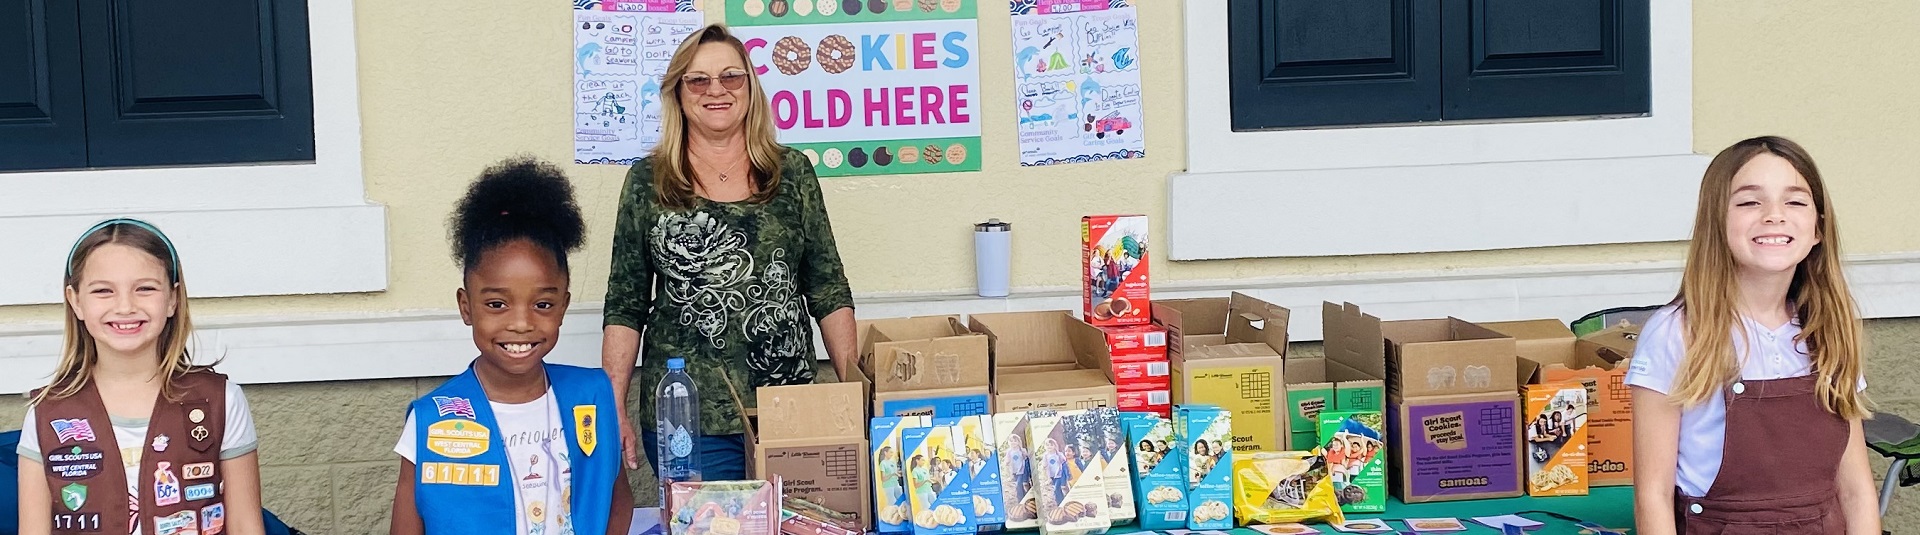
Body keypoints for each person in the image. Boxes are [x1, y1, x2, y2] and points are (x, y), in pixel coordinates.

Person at [601, 23, 857, 480]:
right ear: (678, 93)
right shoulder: (648, 181)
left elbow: (828, 288)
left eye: (730, 77)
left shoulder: (791, 172)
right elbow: (625, 303)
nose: (715, 90)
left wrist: (855, 394)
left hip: (790, 409)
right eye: (698, 80)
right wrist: (613, 407)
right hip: (687, 415)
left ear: (750, 87)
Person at [1626, 136, 1877, 534]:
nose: (1774, 215)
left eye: (1795, 201)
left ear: (1818, 229)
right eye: (1749, 202)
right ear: (1715, 223)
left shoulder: (1829, 330)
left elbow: (1857, 492)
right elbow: (1652, 495)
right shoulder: (1679, 332)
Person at [390, 158, 633, 535]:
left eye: (543, 304)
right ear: (466, 307)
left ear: (563, 307)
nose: (521, 323)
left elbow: (616, 500)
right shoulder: (433, 419)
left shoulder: (593, 396)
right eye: (497, 304)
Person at [16, 219, 265, 535]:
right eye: (103, 290)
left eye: (145, 288)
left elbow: (246, 526)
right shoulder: (46, 414)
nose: (125, 306)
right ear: (76, 300)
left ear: (173, 298)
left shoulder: (220, 401)